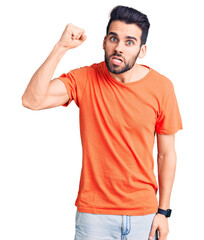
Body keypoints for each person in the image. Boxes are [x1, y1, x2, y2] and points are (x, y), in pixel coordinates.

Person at [22, 5, 183, 240]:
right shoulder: (85, 79)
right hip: (94, 217)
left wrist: (163, 212)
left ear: (142, 49)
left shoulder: (162, 87)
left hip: (144, 216)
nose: (118, 47)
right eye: (113, 38)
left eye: (129, 42)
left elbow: (166, 155)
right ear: (104, 42)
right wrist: (61, 48)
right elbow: (31, 100)